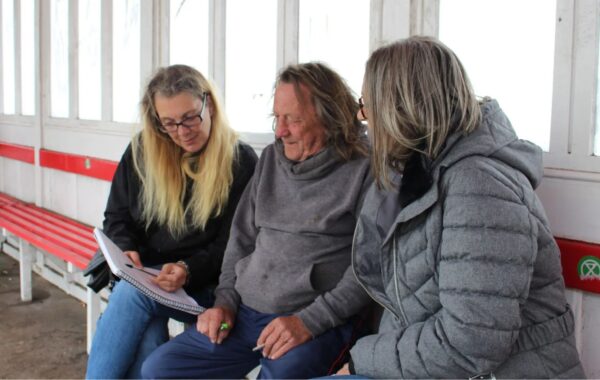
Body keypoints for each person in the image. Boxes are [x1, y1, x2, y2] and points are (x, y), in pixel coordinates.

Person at [335, 36, 586, 379]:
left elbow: (470, 342)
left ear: (399, 108)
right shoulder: (417, 175)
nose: (362, 119)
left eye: (366, 105)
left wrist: (365, 358)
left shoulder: (478, 187)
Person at [141, 62, 373, 379]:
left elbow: (368, 269)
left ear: (329, 117)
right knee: (161, 369)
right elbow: (240, 242)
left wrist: (310, 321)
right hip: (245, 312)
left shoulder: (365, 167)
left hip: (314, 319)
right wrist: (225, 303)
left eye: (293, 120)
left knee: (280, 374)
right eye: (277, 118)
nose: (280, 131)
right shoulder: (271, 159)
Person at [85, 64, 258, 379]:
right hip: (149, 277)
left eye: (190, 117)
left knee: (131, 296)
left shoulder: (240, 160)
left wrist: (188, 269)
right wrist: (125, 248)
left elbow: (235, 245)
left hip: (207, 286)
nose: (182, 131)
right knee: (147, 331)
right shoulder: (143, 149)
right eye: (169, 123)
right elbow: (117, 216)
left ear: (209, 104)